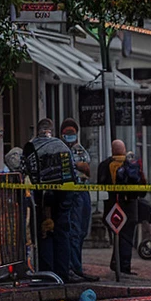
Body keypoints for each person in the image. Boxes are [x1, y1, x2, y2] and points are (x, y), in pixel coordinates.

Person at [22, 118, 78, 280]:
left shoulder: (31, 147)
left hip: (42, 197)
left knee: (44, 231)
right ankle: (63, 272)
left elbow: (24, 169)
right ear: (51, 131)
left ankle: (48, 272)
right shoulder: (61, 146)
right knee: (62, 233)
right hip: (63, 196)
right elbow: (72, 173)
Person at [96, 139, 146, 276]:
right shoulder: (132, 163)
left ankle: (116, 263)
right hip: (129, 205)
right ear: (124, 150)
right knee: (127, 236)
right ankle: (124, 266)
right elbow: (142, 185)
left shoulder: (105, 165)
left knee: (116, 236)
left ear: (112, 150)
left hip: (111, 205)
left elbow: (100, 185)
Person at [59, 119, 98, 282]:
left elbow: (87, 169)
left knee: (81, 231)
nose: (70, 135)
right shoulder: (60, 149)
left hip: (83, 191)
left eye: (72, 132)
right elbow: (76, 167)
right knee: (74, 231)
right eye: (67, 132)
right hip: (72, 193)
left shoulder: (79, 148)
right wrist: (80, 166)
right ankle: (74, 267)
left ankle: (77, 265)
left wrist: (81, 167)